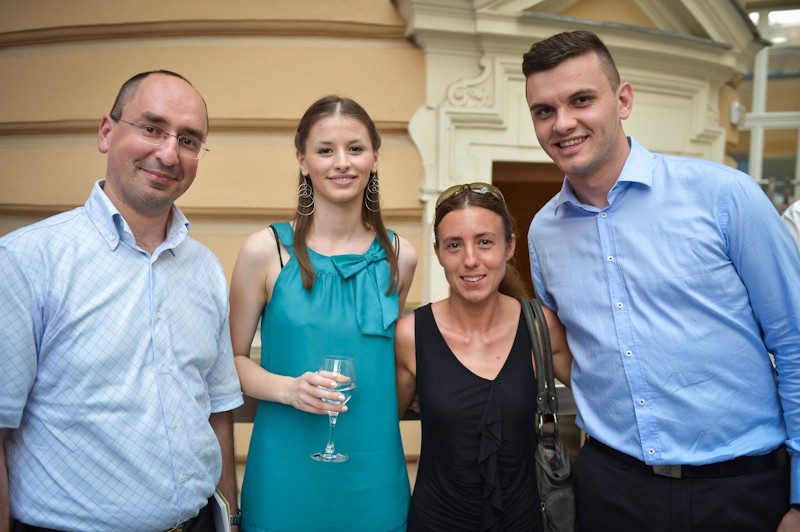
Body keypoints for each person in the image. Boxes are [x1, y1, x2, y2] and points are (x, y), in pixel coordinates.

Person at [522, 30, 800, 531]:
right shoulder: (544, 232)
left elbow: (796, 340)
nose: (562, 123)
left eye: (581, 100)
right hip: (611, 491)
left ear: (622, 99)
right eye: (544, 110)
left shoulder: (724, 196)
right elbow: (568, 351)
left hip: (742, 492)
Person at [0, 70, 243, 531]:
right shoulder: (26, 261)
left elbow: (216, 409)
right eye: (151, 128)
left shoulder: (205, 269)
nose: (169, 153)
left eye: (189, 140)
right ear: (107, 132)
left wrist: (229, 519)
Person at [229, 95, 418, 531]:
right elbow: (231, 362)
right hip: (285, 467)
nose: (342, 163)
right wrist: (289, 390)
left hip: (374, 471)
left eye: (355, 148)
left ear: (374, 158)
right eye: (325, 150)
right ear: (302, 160)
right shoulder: (266, 251)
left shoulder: (399, 256)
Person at [395, 182, 571, 531]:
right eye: (454, 245)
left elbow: (602, 398)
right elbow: (379, 428)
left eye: (485, 242)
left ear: (509, 246)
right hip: (436, 520)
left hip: (524, 520)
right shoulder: (411, 334)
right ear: (438, 252)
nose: (470, 260)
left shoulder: (540, 326)